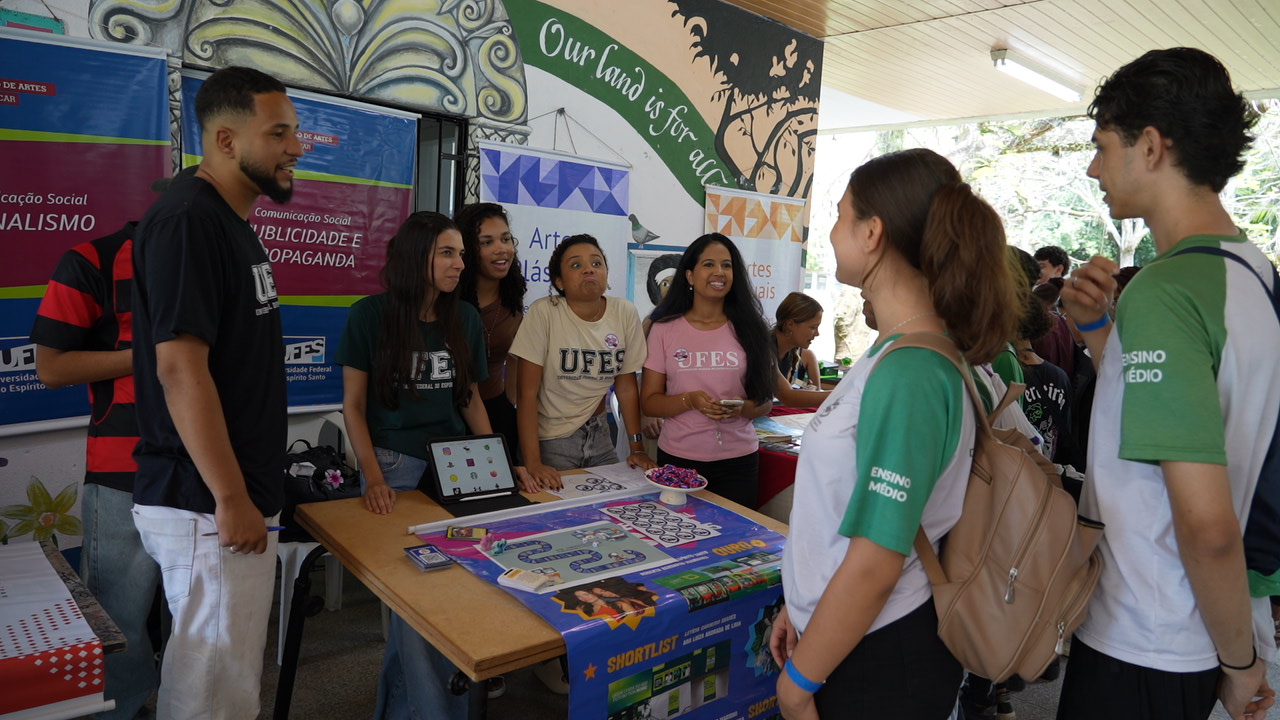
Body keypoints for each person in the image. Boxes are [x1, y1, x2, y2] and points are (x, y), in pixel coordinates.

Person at [1056, 48, 1278, 720]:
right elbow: (1194, 419)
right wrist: (1100, 334)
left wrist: (1240, 667)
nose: (1093, 168)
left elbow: (1206, 522)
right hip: (1209, 622)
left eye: (1102, 147)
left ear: (1150, 146)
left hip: (1153, 636)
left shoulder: (1165, 290)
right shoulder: (1251, 273)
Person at [769, 148, 1019, 719]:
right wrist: (802, 605)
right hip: (852, 636)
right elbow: (839, 523)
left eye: (839, 215)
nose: (830, 233)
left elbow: (878, 562)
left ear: (873, 232)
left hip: (879, 657)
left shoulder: (912, 372)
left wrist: (797, 685)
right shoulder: (893, 352)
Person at [130, 66, 303, 719]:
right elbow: (180, 370)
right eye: (279, 132)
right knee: (210, 699)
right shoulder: (188, 221)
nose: (296, 146)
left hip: (230, 501)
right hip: (206, 506)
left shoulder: (230, 223)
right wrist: (230, 499)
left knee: (226, 686)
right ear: (227, 140)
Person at [336, 211, 492, 720]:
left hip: (456, 465)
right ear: (414, 258)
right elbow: (353, 408)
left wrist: (497, 464)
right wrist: (373, 479)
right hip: (394, 465)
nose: (459, 263)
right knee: (419, 597)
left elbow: (469, 398)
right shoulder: (369, 315)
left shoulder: (464, 317)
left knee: (462, 586)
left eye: (461, 254)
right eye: (447, 253)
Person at [31, 211, 165, 719]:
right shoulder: (92, 260)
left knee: (200, 620)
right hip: (122, 469)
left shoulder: (223, 266)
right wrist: (154, 354)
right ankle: (121, 709)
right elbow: (51, 366)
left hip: (208, 473)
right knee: (117, 616)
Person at [641, 233, 776, 509]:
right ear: (690, 276)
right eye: (709, 265)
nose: (719, 272)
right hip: (680, 459)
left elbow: (764, 403)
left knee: (734, 545)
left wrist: (740, 408)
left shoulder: (752, 328)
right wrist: (688, 401)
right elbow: (650, 401)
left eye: (727, 266)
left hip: (738, 462)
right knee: (680, 541)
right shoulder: (664, 328)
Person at [509, 234, 655, 490]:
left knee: (614, 509)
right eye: (576, 265)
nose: (589, 269)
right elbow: (527, 394)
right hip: (551, 440)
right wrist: (534, 463)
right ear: (559, 281)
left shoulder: (624, 312)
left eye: (597, 263)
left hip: (600, 435)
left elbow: (627, 387)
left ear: (607, 274)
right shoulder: (544, 312)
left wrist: (637, 448)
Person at [455, 202, 526, 460]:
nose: (501, 249)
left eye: (506, 239)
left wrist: (511, 403)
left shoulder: (512, 298)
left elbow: (516, 357)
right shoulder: (449, 299)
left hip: (498, 411)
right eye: (487, 242)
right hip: (451, 419)